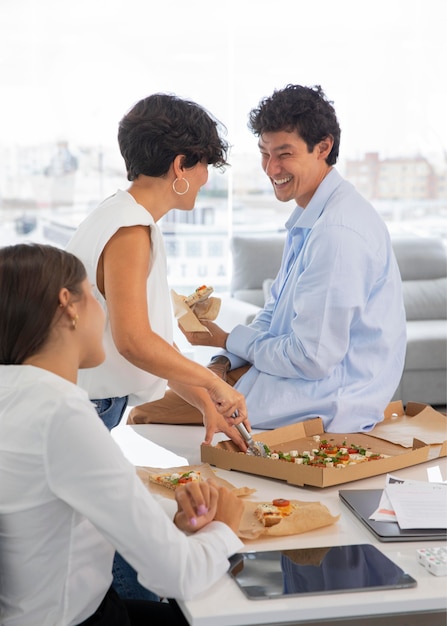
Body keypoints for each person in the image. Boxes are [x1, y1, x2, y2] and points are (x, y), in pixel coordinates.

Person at [128, 84, 406, 434]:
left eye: (284, 154)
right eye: (264, 153)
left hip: (324, 397)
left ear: (323, 148)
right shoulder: (312, 217)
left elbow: (311, 358)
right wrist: (223, 360)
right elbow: (273, 316)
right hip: (288, 377)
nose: (271, 168)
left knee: (144, 409)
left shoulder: (337, 234)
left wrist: (226, 340)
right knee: (170, 388)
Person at [0, 243, 244, 626]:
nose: (107, 313)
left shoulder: (15, 394)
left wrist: (172, 529)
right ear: (68, 304)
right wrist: (224, 527)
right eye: (97, 298)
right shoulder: (61, 411)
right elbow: (177, 576)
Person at [65, 93, 247, 448]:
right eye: (204, 165)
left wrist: (205, 403)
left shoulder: (118, 214)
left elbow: (151, 345)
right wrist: (214, 383)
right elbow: (134, 342)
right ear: (181, 165)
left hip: (87, 402)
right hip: (88, 407)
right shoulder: (131, 230)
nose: (205, 178)